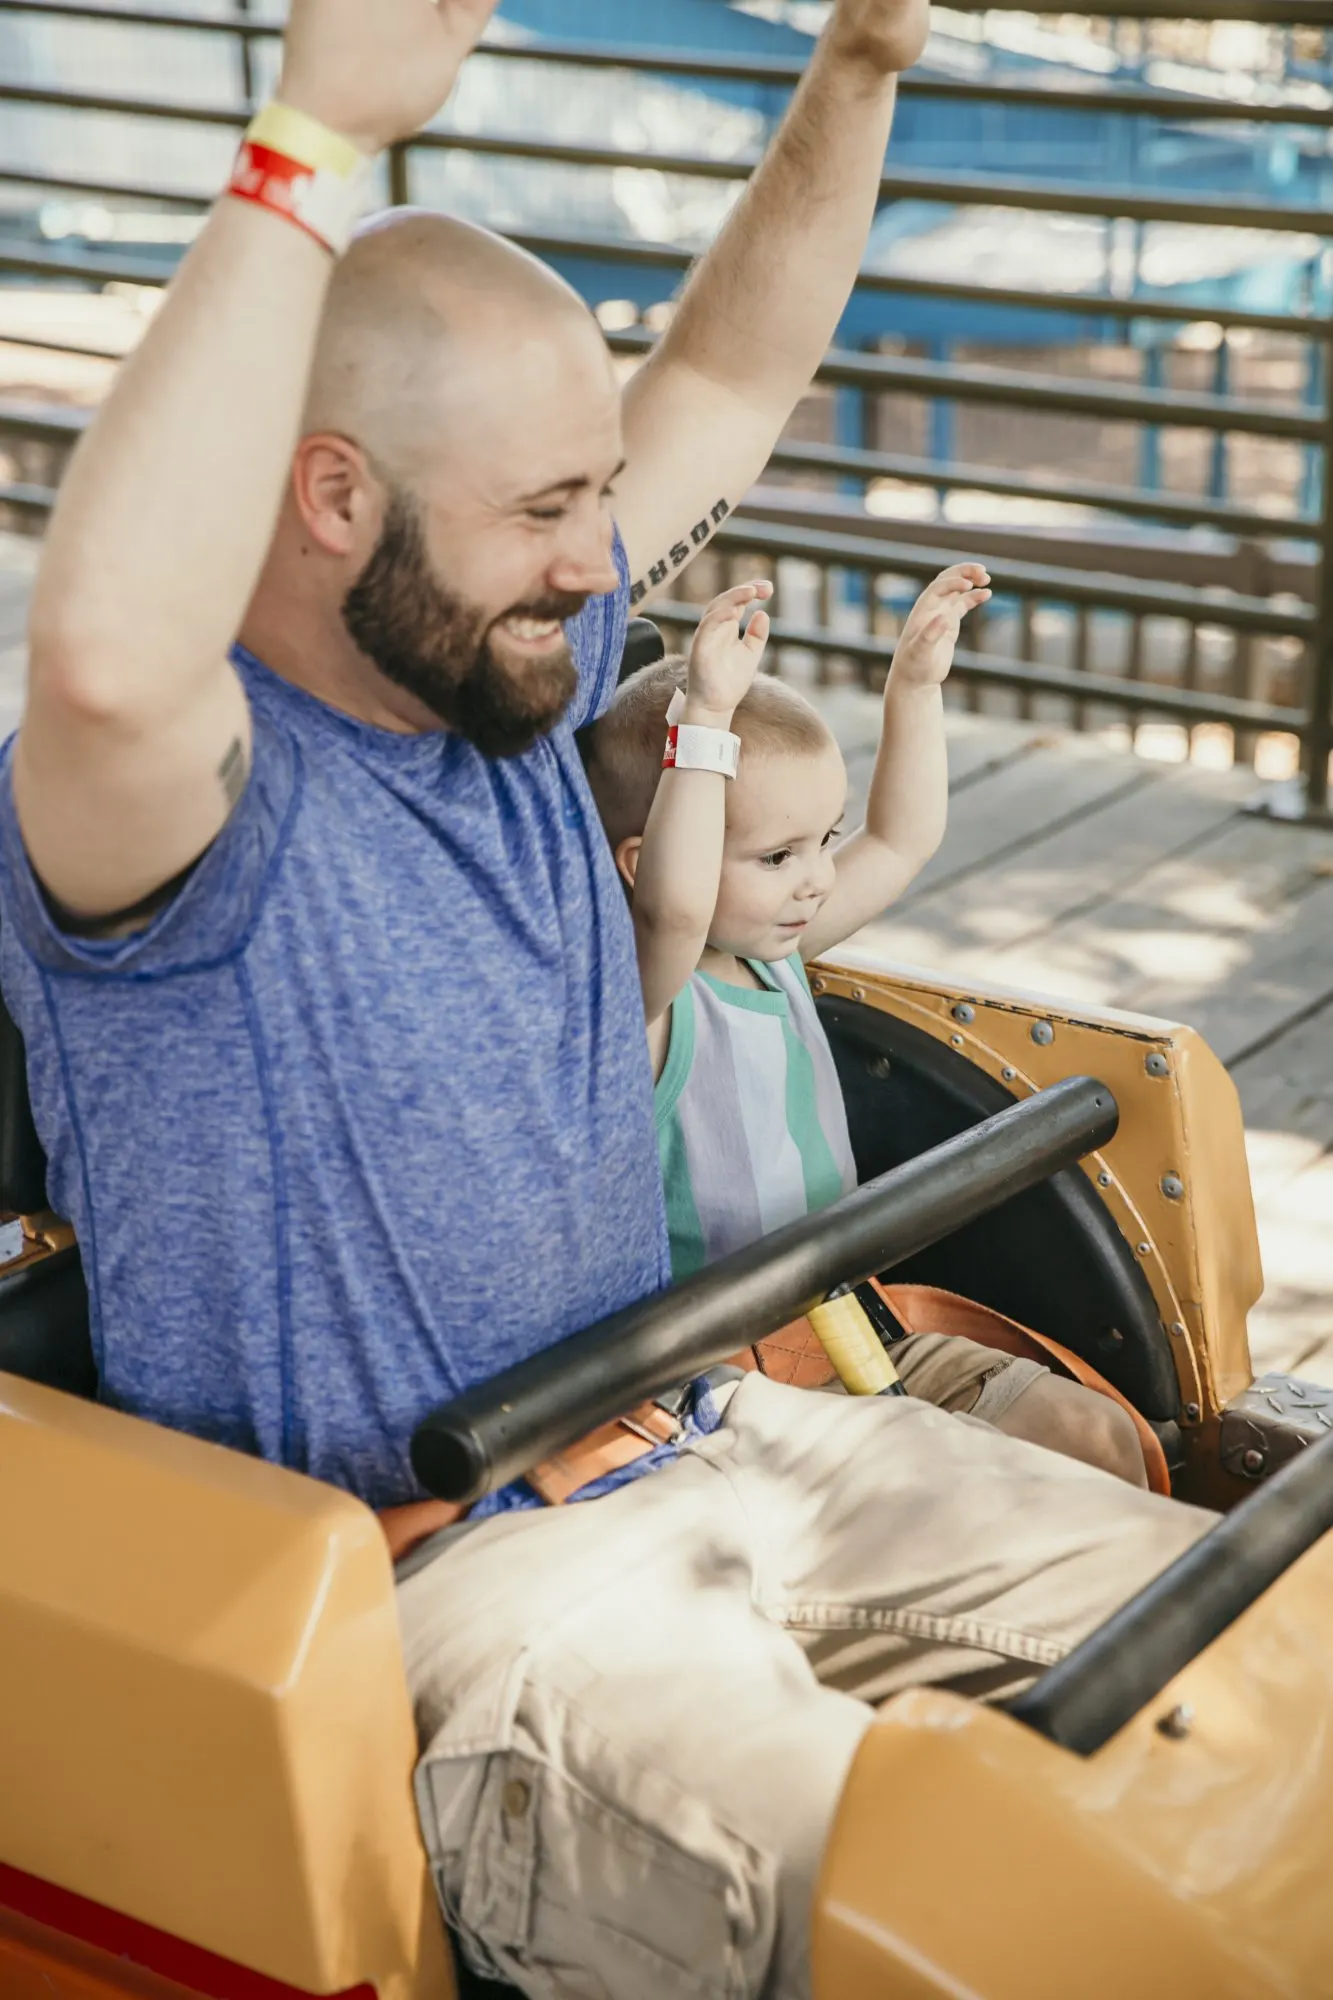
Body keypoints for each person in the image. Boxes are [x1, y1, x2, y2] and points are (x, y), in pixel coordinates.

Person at [0, 0, 1212, 1993]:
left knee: (1258, 1685)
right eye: (552, 510)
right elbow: (112, 655)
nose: (609, 555)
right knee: (1008, 1928)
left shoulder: (502, 653)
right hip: (469, 1591)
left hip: (719, 1428)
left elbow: (734, 355)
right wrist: (309, 134)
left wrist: (866, 64)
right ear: (330, 505)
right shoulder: (186, 813)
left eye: (602, 497)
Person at [582, 572, 1149, 1485]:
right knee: (973, 1491)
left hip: (852, 1321)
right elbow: (674, 916)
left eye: (818, 843)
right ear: (644, 862)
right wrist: (703, 725)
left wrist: (914, 688)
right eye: (776, 856)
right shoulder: (648, 1002)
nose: (813, 880)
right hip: (725, 1384)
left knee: (1095, 1441)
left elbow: (896, 842)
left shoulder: (776, 952)